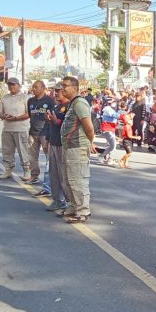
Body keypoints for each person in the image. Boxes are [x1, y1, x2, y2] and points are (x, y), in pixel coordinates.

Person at [59, 76, 96, 223]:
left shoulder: (80, 103)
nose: (63, 88)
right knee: (68, 179)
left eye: (66, 86)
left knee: (78, 179)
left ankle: (82, 211)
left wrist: (89, 142)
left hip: (77, 147)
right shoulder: (71, 104)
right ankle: (73, 206)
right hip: (69, 146)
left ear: (75, 87)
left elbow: (88, 126)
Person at [0, 78, 30, 180]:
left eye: (14, 85)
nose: (12, 87)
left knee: (23, 151)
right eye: (10, 85)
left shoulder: (25, 98)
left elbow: (29, 113)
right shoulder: (5, 98)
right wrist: (3, 116)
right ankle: (8, 170)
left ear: (19, 86)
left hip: (21, 128)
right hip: (7, 128)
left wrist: (16, 118)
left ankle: (27, 171)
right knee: (7, 151)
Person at [44, 83, 69, 212]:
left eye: (59, 91)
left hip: (62, 144)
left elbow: (68, 124)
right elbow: (51, 124)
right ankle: (57, 200)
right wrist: (47, 138)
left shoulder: (70, 106)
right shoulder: (56, 106)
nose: (56, 93)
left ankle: (69, 202)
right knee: (53, 174)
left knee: (63, 175)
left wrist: (55, 121)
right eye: (55, 91)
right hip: (53, 142)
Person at [26, 80, 56, 185]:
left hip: (45, 133)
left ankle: (50, 181)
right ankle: (34, 176)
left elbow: (53, 116)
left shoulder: (50, 100)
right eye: (33, 87)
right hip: (33, 132)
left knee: (49, 157)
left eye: (36, 87)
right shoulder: (30, 101)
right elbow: (30, 114)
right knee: (32, 156)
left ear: (43, 88)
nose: (34, 89)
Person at [99, 97, 118, 165]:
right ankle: (102, 156)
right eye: (113, 101)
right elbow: (114, 115)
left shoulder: (110, 109)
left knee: (112, 145)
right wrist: (123, 115)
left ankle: (109, 158)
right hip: (107, 129)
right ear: (110, 102)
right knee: (113, 145)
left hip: (111, 128)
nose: (115, 103)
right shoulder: (107, 109)